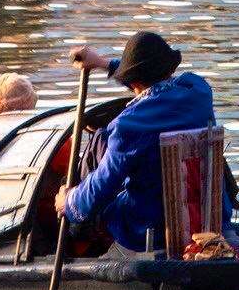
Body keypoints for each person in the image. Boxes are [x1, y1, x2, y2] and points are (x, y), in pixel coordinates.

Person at [55, 31, 224, 251]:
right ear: (170, 69)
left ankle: (77, 232)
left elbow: (102, 186)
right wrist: (104, 64)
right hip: (209, 216)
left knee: (98, 141)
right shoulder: (199, 91)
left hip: (148, 229)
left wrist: (68, 202)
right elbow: (152, 86)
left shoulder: (128, 126)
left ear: (133, 81)